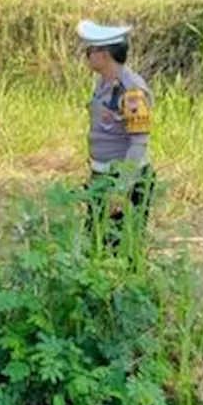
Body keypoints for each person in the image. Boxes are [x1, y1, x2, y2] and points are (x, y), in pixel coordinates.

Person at [79, 19, 156, 249]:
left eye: (90, 50)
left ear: (104, 54)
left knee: (120, 249)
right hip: (103, 175)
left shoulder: (131, 91)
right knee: (95, 244)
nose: (87, 55)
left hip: (122, 180)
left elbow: (138, 143)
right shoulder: (105, 84)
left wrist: (121, 189)